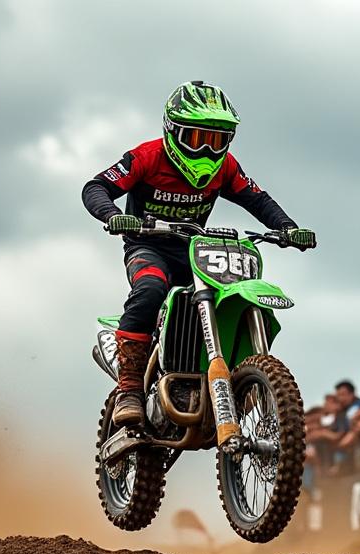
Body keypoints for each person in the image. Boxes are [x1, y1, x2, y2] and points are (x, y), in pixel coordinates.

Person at [84, 81, 316, 427]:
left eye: (217, 140)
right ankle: (130, 389)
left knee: (225, 298)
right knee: (150, 288)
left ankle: (234, 379)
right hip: (148, 246)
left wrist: (287, 228)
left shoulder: (225, 167)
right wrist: (113, 215)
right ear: (172, 131)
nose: (207, 149)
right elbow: (97, 187)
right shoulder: (147, 157)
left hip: (196, 250)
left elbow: (257, 199)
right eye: (196, 138)